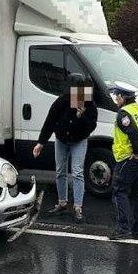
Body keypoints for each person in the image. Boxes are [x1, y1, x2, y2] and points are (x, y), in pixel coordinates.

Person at [33, 73, 98, 222]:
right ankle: (62, 203)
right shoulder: (61, 101)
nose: (75, 95)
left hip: (79, 140)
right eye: (72, 91)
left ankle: (77, 207)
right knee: (60, 171)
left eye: (78, 91)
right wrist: (41, 142)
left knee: (77, 172)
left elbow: (91, 125)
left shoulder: (88, 103)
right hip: (61, 139)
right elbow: (50, 121)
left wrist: (80, 117)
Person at [108, 81, 138, 240]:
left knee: (120, 191)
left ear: (122, 97)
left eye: (116, 95)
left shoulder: (124, 113)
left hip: (130, 158)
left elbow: (132, 131)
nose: (115, 99)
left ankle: (123, 229)